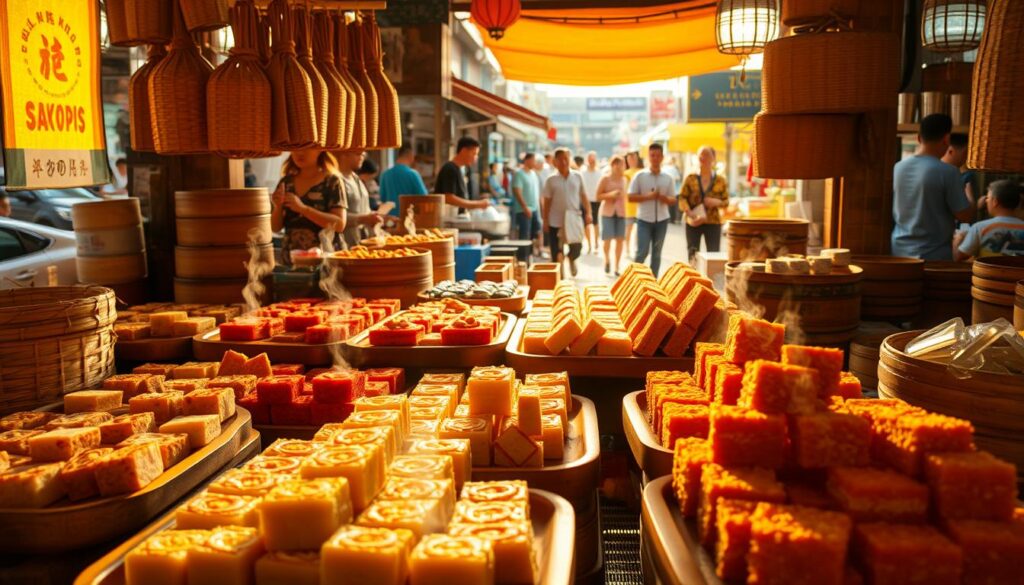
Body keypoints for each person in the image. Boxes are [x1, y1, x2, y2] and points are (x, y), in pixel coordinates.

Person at [892, 113, 974, 260]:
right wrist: (971, 198)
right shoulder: (948, 172)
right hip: (934, 256)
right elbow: (965, 216)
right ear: (947, 139)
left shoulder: (898, 167)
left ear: (918, 138)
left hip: (898, 252)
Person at [271, 149, 347, 264]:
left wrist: (303, 209)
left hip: (326, 260)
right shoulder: (286, 182)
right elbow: (275, 228)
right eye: (296, 148)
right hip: (292, 261)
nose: (300, 152)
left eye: (306, 148)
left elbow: (339, 224)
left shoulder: (332, 181)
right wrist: (277, 207)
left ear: (320, 150)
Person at [542, 148, 593, 277]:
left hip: (574, 218)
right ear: (555, 162)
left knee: (577, 247)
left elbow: (584, 196)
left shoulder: (577, 176)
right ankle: (560, 276)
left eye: (566, 158)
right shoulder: (551, 180)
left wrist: (588, 213)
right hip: (555, 220)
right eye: (560, 159)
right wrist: (545, 220)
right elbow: (546, 201)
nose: (564, 162)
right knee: (556, 251)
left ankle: (571, 258)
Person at [628, 143, 676, 277]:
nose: (655, 158)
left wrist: (663, 198)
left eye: (657, 155)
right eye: (652, 155)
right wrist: (648, 197)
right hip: (644, 219)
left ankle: (653, 282)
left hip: (662, 220)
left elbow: (673, 199)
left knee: (657, 253)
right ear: (648, 157)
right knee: (642, 252)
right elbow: (630, 197)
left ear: (662, 157)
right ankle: (633, 279)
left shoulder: (668, 178)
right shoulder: (639, 176)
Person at [679, 145, 729, 262]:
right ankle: (693, 278)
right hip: (693, 222)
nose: (703, 158)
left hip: (713, 222)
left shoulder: (720, 180)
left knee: (713, 254)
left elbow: (726, 202)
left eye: (707, 155)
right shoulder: (690, 178)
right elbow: (682, 197)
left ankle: (710, 279)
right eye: (701, 155)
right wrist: (689, 212)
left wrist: (717, 202)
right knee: (692, 253)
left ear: (713, 158)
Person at [954, 180, 1024, 260]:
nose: (986, 201)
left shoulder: (981, 227)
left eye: (988, 198)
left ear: (995, 202)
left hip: (989, 272)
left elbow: (958, 257)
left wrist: (958, 239)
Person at [336, 150, 385, 248]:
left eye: (363, 153)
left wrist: (375, 216)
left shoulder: (356, 178)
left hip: (361, 243)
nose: (362, 156)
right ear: (344, 154)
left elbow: (364, 210)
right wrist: (364, 219)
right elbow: (334, 217)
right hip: (344, 246)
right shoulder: (334, 180)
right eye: (358, 153)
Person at [434, 137, 490, 210]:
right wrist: (477, 204)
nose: (476, 157)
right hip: (449, 218)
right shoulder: (449, 168)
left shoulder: (465, 169)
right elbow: (448, 198)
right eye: (474, 153)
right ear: (463, 151)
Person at [597, 154, 628, 276]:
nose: (620, 168)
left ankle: (617, 266)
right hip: (607, 212)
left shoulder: (624, 180)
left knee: (620, 240)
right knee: (607, 240)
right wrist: (611, 194)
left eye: (622, 165)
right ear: (613, 165)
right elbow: (598, 196)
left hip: (621, 213)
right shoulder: (605, 179)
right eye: (618, 165)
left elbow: (625, 196)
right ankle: (607, 260)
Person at [378, 144, 428, 216]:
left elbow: (383, 198)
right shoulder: (413, 174)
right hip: (408, 219)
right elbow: (424, 198)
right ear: (410, 155)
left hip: (390, 219)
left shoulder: (385, 175)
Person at [511, 152, 542, 255]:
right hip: (523, 210)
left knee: (535, 234)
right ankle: (522, 259)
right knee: (524, 236)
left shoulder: (533, 174)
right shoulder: (519, 174)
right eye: (533, 160)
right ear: (527, 160)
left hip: (534, 209)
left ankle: (531, 255)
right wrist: (524, 207)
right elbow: (517, 191)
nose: (535, 163)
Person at [579, 150, 603, 254]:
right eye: (590, 159)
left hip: (596, 200)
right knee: (586, 224)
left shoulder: (600, 172)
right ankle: (589, 244)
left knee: (596, 222)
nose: (591, 161)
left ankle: (596, 243)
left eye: (593, 159)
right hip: (585, 201)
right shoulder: (582, 172)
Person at [623, 151, 643, 255]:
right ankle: (627, 249)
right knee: (628, 229)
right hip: (629, 207)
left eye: (634, 158)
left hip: (640, 207)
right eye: (630, 158)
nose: (632, 160)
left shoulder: (642, 171)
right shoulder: (625, 173)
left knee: (639, 231)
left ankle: (636, 248)